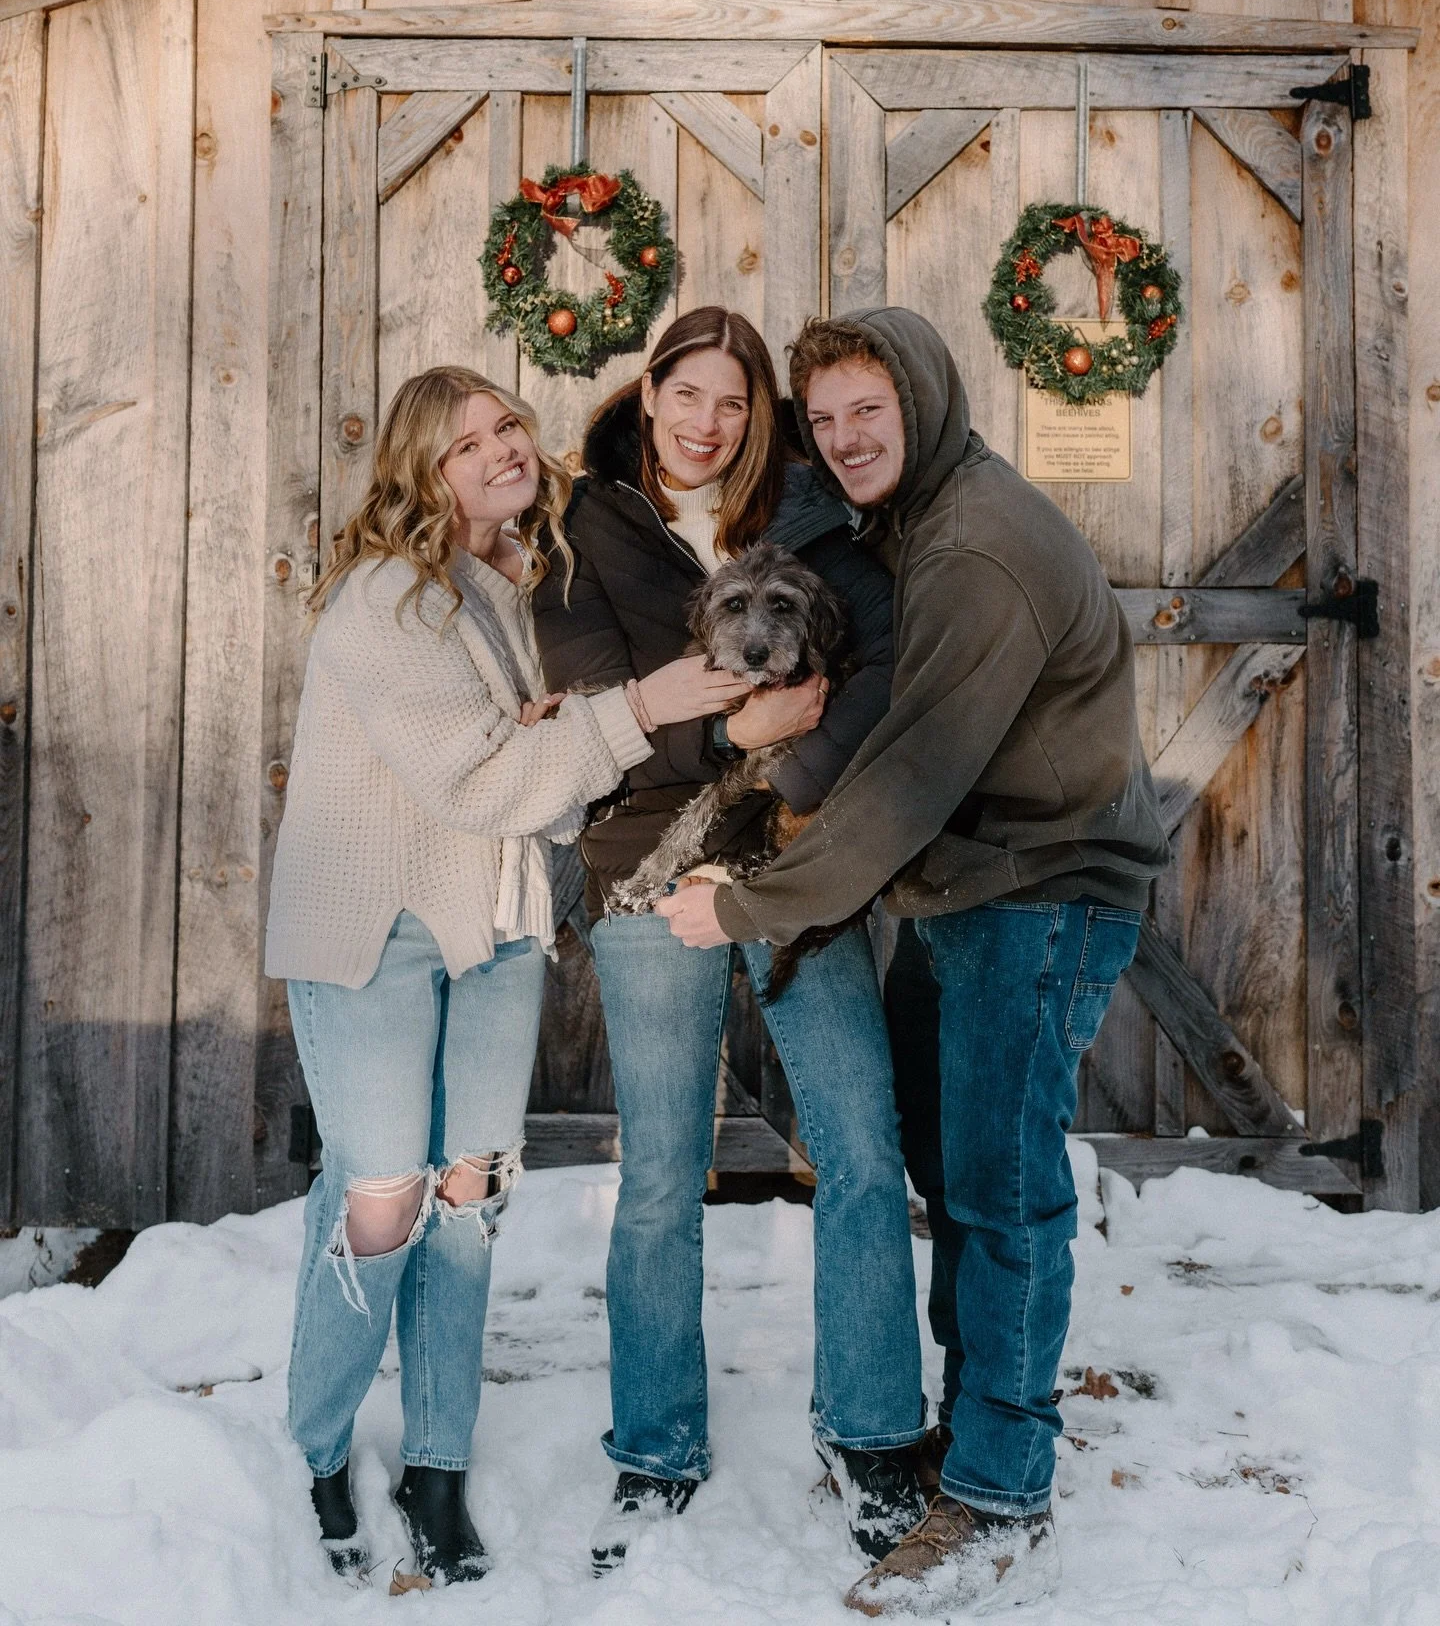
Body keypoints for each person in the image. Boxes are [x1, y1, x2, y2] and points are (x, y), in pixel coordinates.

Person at [657, 310, 1171, 1618]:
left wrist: (756, 903)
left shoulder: (977, 551)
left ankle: (999, 1491)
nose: (842, 440)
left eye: (865, 414)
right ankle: (978, 1431)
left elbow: (904, 781)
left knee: (1002, 1191)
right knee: (956, 1168)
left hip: (1040, 888)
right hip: (968, 884)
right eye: (823, 420)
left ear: (925, 403)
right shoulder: (903, 522)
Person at [264, 365, 746, 1586]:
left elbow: (512, 758)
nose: (499, 451)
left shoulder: (505, 587)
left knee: (468, 1200)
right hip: (378, 930)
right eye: (465, 442)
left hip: (493, 930)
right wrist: (643, 707)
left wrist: (545, 734)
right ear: (424, 472)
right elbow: (477, 782)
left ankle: (437, 1462)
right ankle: (317, 1444)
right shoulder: (386, 598)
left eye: (508, 428)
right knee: (382, 1201)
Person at [532, 308, 927, 1574]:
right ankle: (655, 1451)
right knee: (659, 1177)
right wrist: (737, 736)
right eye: (686, 395)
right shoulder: (581, 528)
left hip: (806, 853)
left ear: (761, 415)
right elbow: (593, 717)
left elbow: (879, 658)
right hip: (649, 865)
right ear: (648, 394)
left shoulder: (809, 514)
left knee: (860, 1147)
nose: (708, 425)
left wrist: (791, 748)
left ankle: (870, 1435)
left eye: (735, 403)